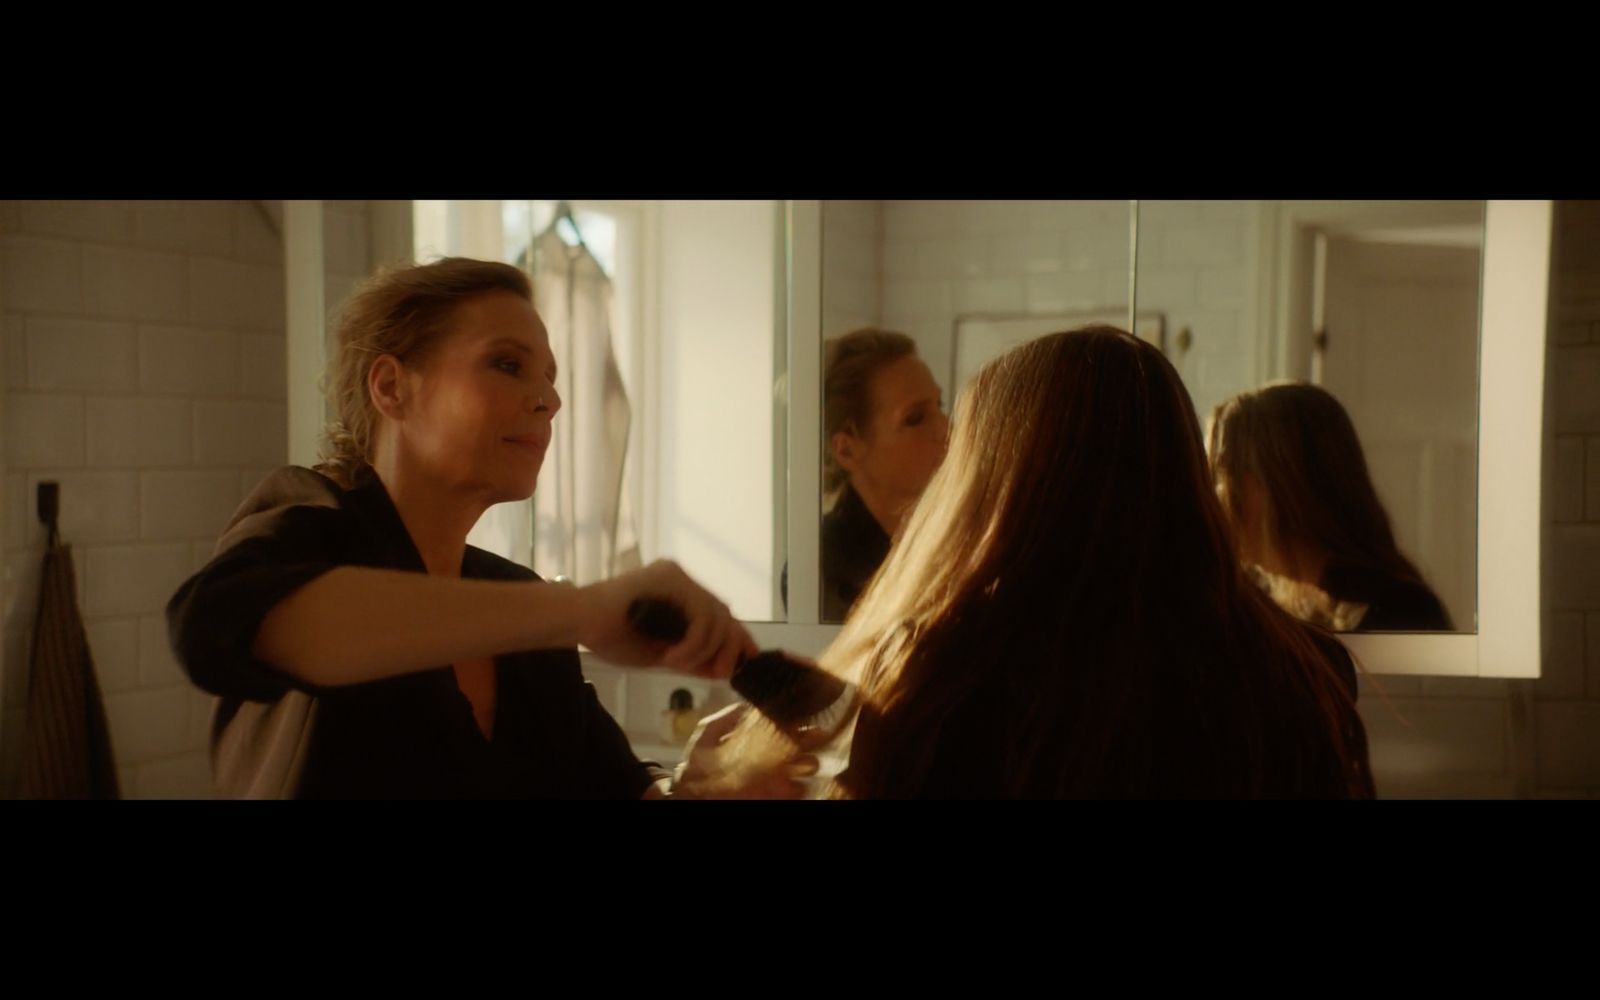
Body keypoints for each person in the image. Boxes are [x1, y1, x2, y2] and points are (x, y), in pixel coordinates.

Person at [167, 257, 807, 799]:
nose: (549, 399)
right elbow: (214, 627)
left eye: (551, 378)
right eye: (507, 364)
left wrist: (698, 788)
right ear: (392, 388)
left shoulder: (524, 612)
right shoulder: (314, 522)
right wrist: (580, 609)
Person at [715, 327, 1374, 799]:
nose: (942, 435)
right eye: (918, 417)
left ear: (997, 480)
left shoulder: (943, 675)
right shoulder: (1303, 667)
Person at [1207, 382, 1454, 632]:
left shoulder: (1403, 614)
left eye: (1221, 475)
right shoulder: (1256, 605)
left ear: (1282, 485)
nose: (1214, 496)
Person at [815, 328, 948, 621]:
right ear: (847, 450)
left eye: (939, 406)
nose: (947, 428)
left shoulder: (948, 533)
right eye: (915, 418)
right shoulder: (823, 563)